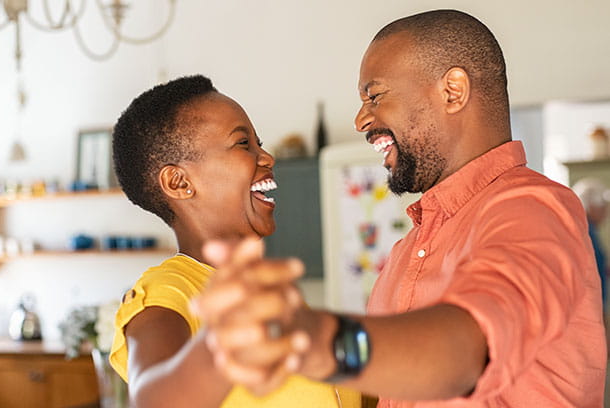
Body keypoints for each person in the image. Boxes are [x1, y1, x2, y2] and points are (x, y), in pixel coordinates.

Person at [193, 9, 607, 407]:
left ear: (452, 91)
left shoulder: (531, 209)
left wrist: (314, 339)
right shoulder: (408, 250)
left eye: (374, 96)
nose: (360, 120)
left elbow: (464, 353)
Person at [108, 75, 360, 408]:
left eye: (259, 143)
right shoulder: (168, 291)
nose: (267, 157)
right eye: (243, 144)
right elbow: (153, 397)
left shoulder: (269, 295)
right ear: (179, 181)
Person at [573, 177, 609, 308]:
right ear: (592, 206)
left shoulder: (587, 228)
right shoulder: (587, 231)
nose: (606, 214)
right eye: (603, 208)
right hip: (590, 305)